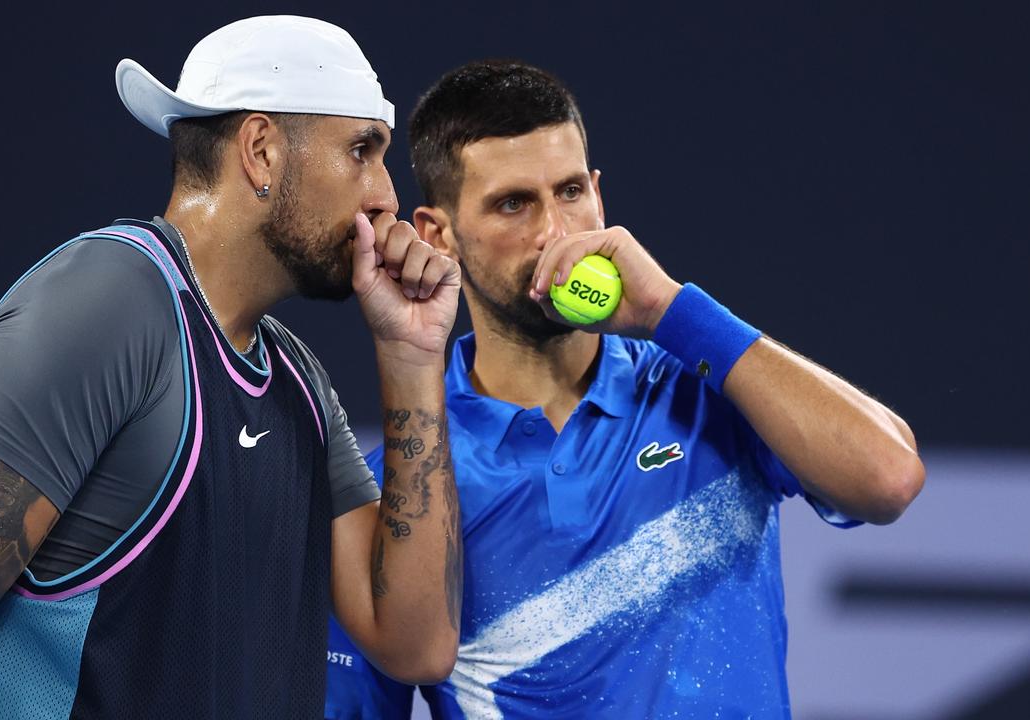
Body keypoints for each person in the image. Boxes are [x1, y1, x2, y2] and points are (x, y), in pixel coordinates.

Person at [0, 16, 464, 719]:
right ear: (262, 151)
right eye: (362, 151)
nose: (385, 196)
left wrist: (411, 357)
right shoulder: (104, 303)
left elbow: (417, 644)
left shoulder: (298, 381)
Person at [324, 60, 925, 719]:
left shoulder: (709, 386)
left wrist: (671, 310)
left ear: (600, 197)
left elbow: (890, 478)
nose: (556, 231)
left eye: (571, 191)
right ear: (439, 234)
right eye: (513, 204)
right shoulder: (407, 488)